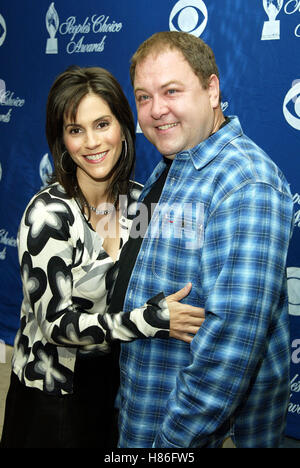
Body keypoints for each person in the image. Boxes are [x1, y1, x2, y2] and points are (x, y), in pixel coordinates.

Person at [0, 66, 205, 449]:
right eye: (75, 130)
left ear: (124, 127)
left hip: (115, 390)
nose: (91, 142)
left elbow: (151, 280)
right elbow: (57, 326)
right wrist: (153, 320)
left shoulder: (140, 203)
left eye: (102, 124)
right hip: (52, 395)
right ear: (62, 139)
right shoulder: (49, 214)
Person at [111, 31, 295, 448]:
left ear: (212, 90)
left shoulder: (245, 183)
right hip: (141, 415)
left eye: (171, 91)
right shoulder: (168, 169)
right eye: (143, 97)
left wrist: (171, 445)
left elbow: (229, 351)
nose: (156, 110)